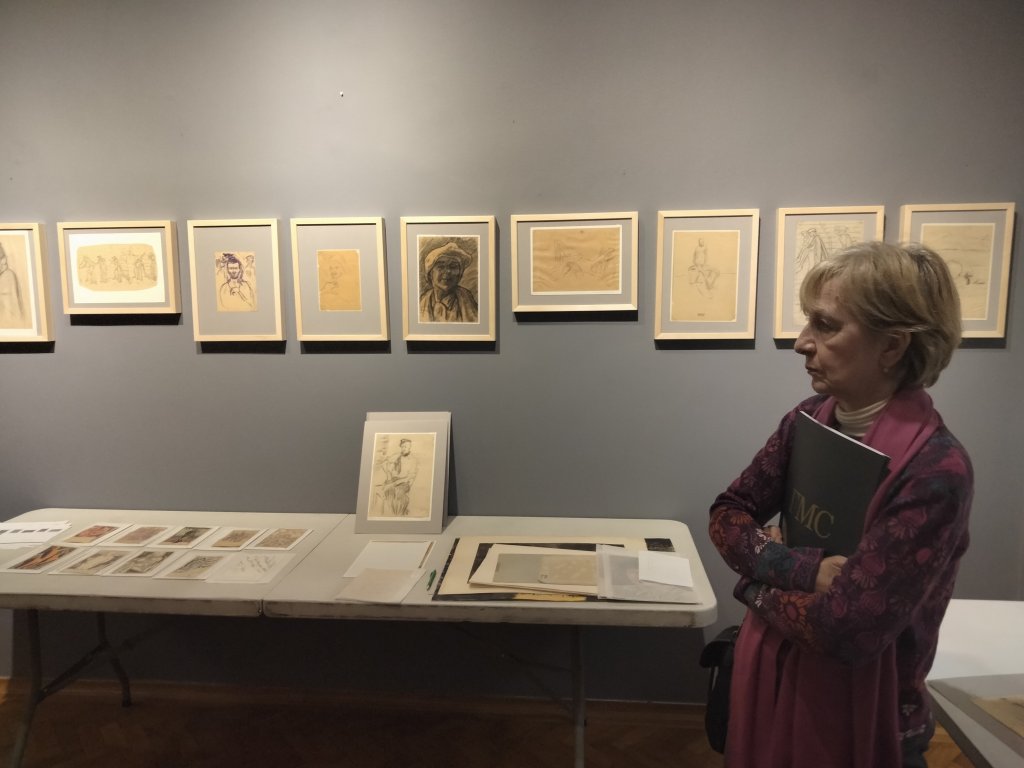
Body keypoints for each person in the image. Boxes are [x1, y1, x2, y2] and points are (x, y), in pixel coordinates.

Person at [708, 241, 972, 768]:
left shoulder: (936, 472)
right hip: (775, 683)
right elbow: (727, 514)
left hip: (870, 722)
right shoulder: (807, 420)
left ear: (891, 346)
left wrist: (750, 584)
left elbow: (845, 630)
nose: (801, 342)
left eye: (825, 325)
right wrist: (803, 569)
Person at [419, 241, 479, 323]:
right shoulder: (421, 302)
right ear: (430, 274)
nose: (447, 271)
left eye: (453, 267)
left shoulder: (468, 302)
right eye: (441, 266)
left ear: (460, 275)